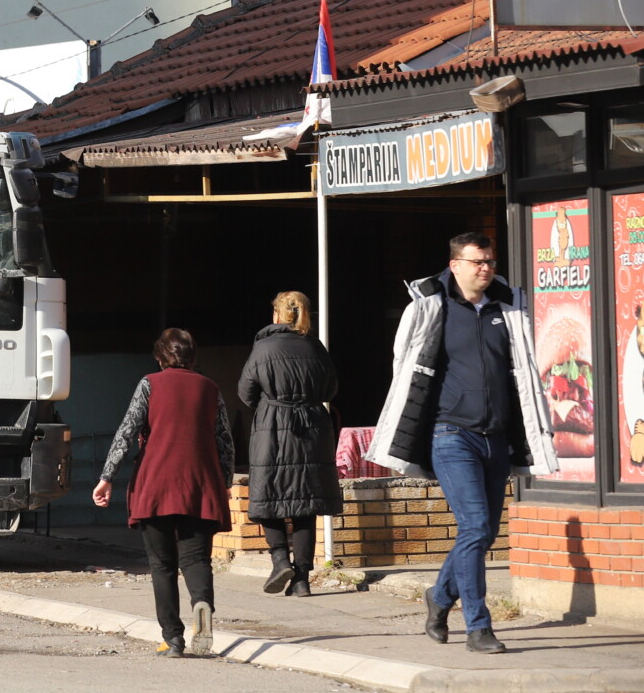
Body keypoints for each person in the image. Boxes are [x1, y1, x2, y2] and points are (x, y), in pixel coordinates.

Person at [369, 232, 558, 655]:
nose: (487, 268)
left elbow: (522, 371)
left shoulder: (508, 307)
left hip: (497, 438)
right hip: (450, 434)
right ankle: (478, 626)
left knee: (485, 532)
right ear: (455, 264)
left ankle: (438, 597)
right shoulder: (429, 307)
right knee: (474, 526)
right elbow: (404, 366)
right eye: (478, 262)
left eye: (490, 261)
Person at [94, 327, 234, 658]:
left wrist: (107, 476)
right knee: (196, 558)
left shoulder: (150, 384)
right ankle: (201, 603)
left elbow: (126, 431)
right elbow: (224, 441)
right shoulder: (211, 389)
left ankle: (173, 638)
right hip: (200, 484)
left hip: (155, 483)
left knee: (162, 565)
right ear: (192, 357)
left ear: (160, 356)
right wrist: (224, 482)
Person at [238, 291, 341, 597]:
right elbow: (331, 387)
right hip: (312, 430)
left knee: (268, 499)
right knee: (305, 505)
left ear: (276, 316)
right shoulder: (316, 347)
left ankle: (279, 558)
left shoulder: (262, 347)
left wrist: (271, 403)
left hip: (272, 428)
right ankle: (302, 580)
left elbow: (246, 393)